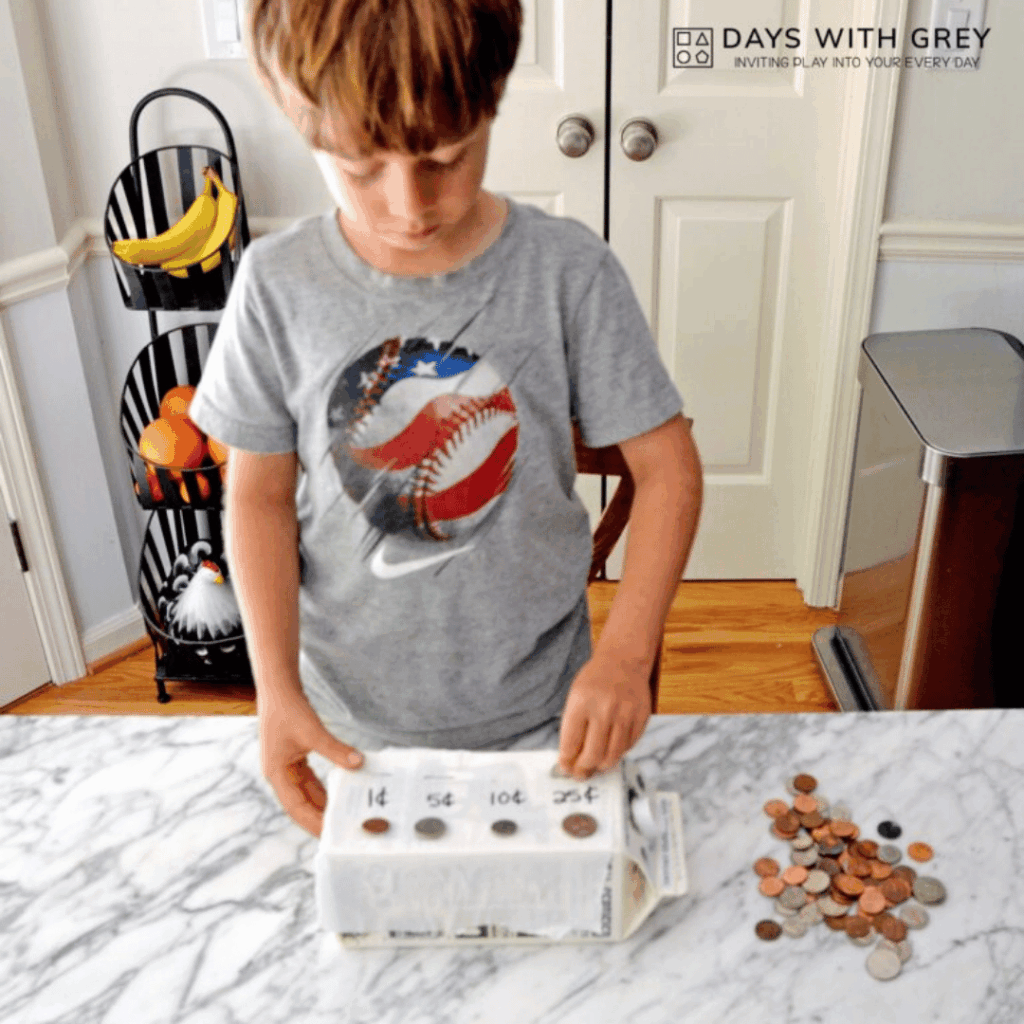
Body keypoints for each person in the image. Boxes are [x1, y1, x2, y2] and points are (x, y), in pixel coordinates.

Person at [189, 0, 703, 838]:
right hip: (342, 731)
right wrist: (275, 691)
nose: (409, 205)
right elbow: (257, 499)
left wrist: (627, 656)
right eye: (359, 168)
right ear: (299, 119)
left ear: (495, 96)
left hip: (546, 721)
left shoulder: (568, 271)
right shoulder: (276, 285)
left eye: (444, 158)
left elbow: (670, 469)